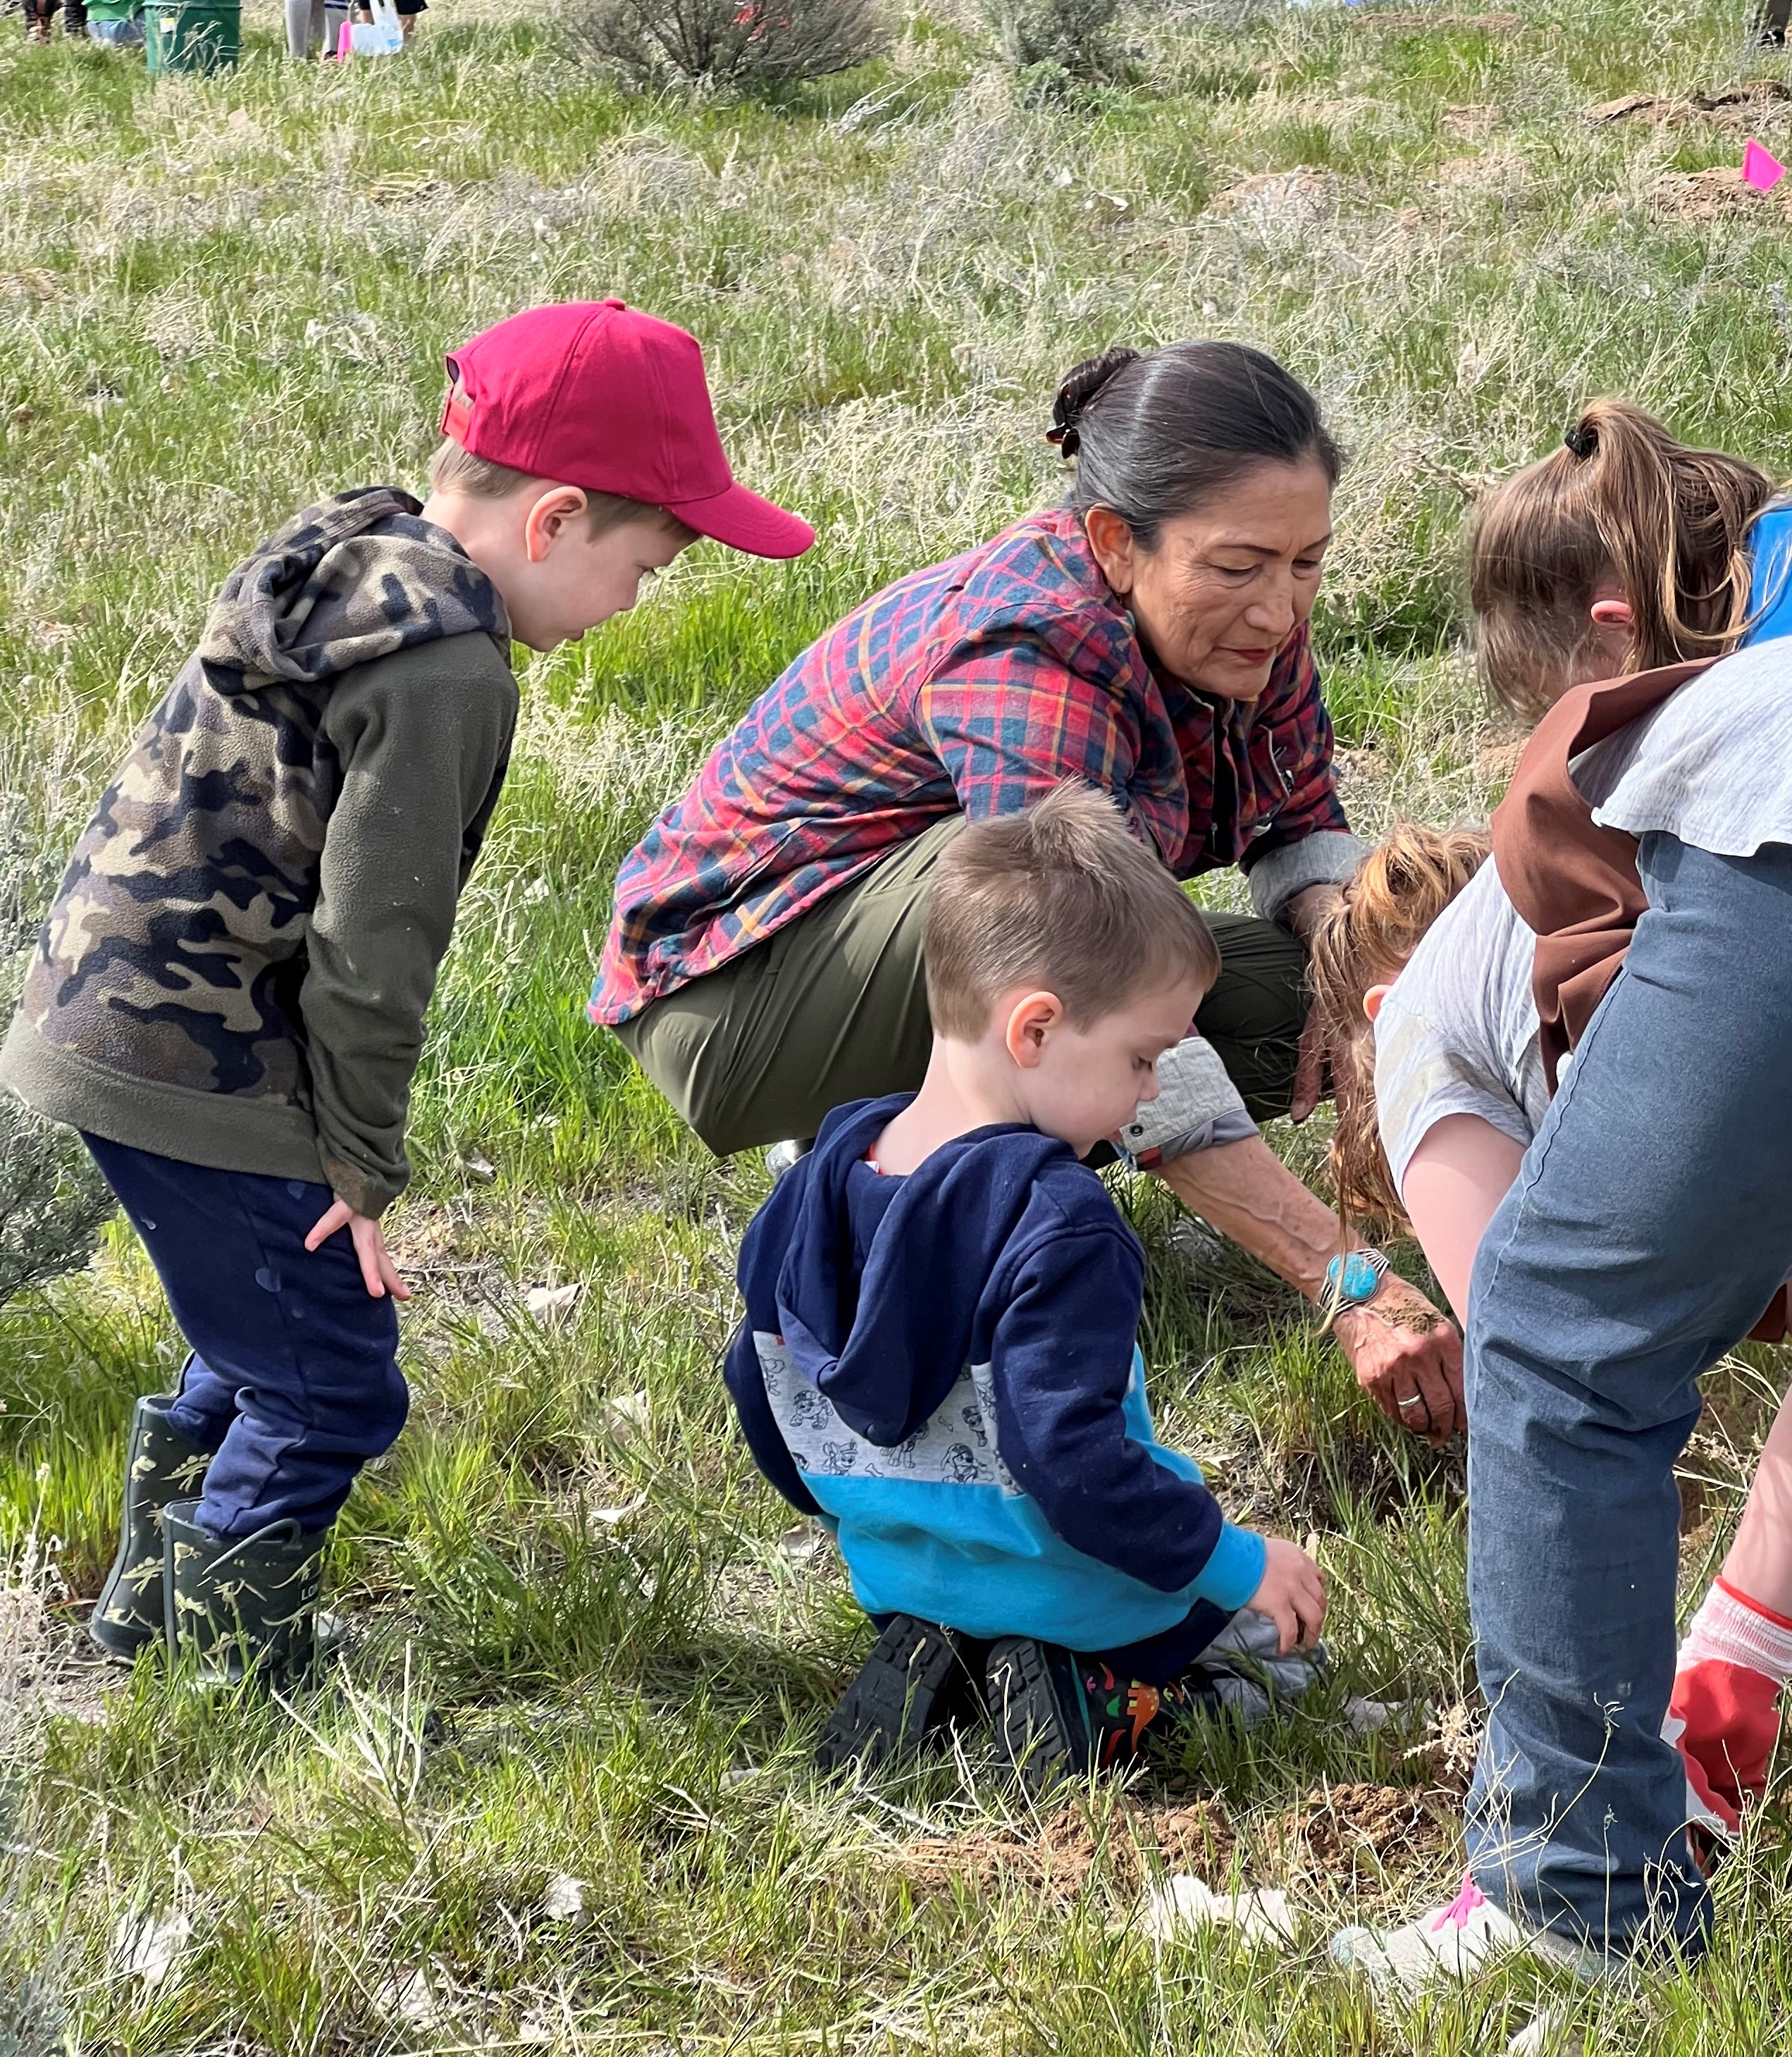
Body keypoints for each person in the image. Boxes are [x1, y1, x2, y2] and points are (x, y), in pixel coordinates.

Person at [0, 300, 812, 1691]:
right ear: (555, 520)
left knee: (264, 1328)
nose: (634, 602)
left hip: (98, 1010)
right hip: (197, 1052)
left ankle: (151, 1614)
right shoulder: (447, 673)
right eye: (643, 567)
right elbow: (378, 943)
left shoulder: (351, 560)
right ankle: (218, 1667)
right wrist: (358, 1163)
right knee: (331, 1376)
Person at [594, 340, 1463, 1442]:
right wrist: (1350, 1282)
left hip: (944, 950)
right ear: (1114, 542)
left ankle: (963, 1157)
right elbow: (1075, 962)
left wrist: (1353, 979)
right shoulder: (1032, 646)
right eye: (1242, 566)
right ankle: (864, 1153)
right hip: (736, 1001)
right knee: (1056, 925)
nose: (1280, 610)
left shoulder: (1241, 624)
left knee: (1326, 986)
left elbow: (1298, 821)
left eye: (1307, 562)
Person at [1313, 399, 1792, 1982]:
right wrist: (1739, 1656)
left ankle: (1573, 1898)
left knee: (1556, 1344)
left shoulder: (1424, 1043)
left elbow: (1561, 1384)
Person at [725, 785, 1331, 1787]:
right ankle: (1111, 1698)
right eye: (1142, 1058)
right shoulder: (1060, 1221)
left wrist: (861, 1520)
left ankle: (956, 1660)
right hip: (1077, 1587)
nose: (1149, 1090)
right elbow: (1072, 1463)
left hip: (901, 1573)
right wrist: (1237, 1562)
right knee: (1278, 1651)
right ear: (1035, 1030)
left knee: (982, 1592)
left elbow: (759, 1392)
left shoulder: (810, 1190)